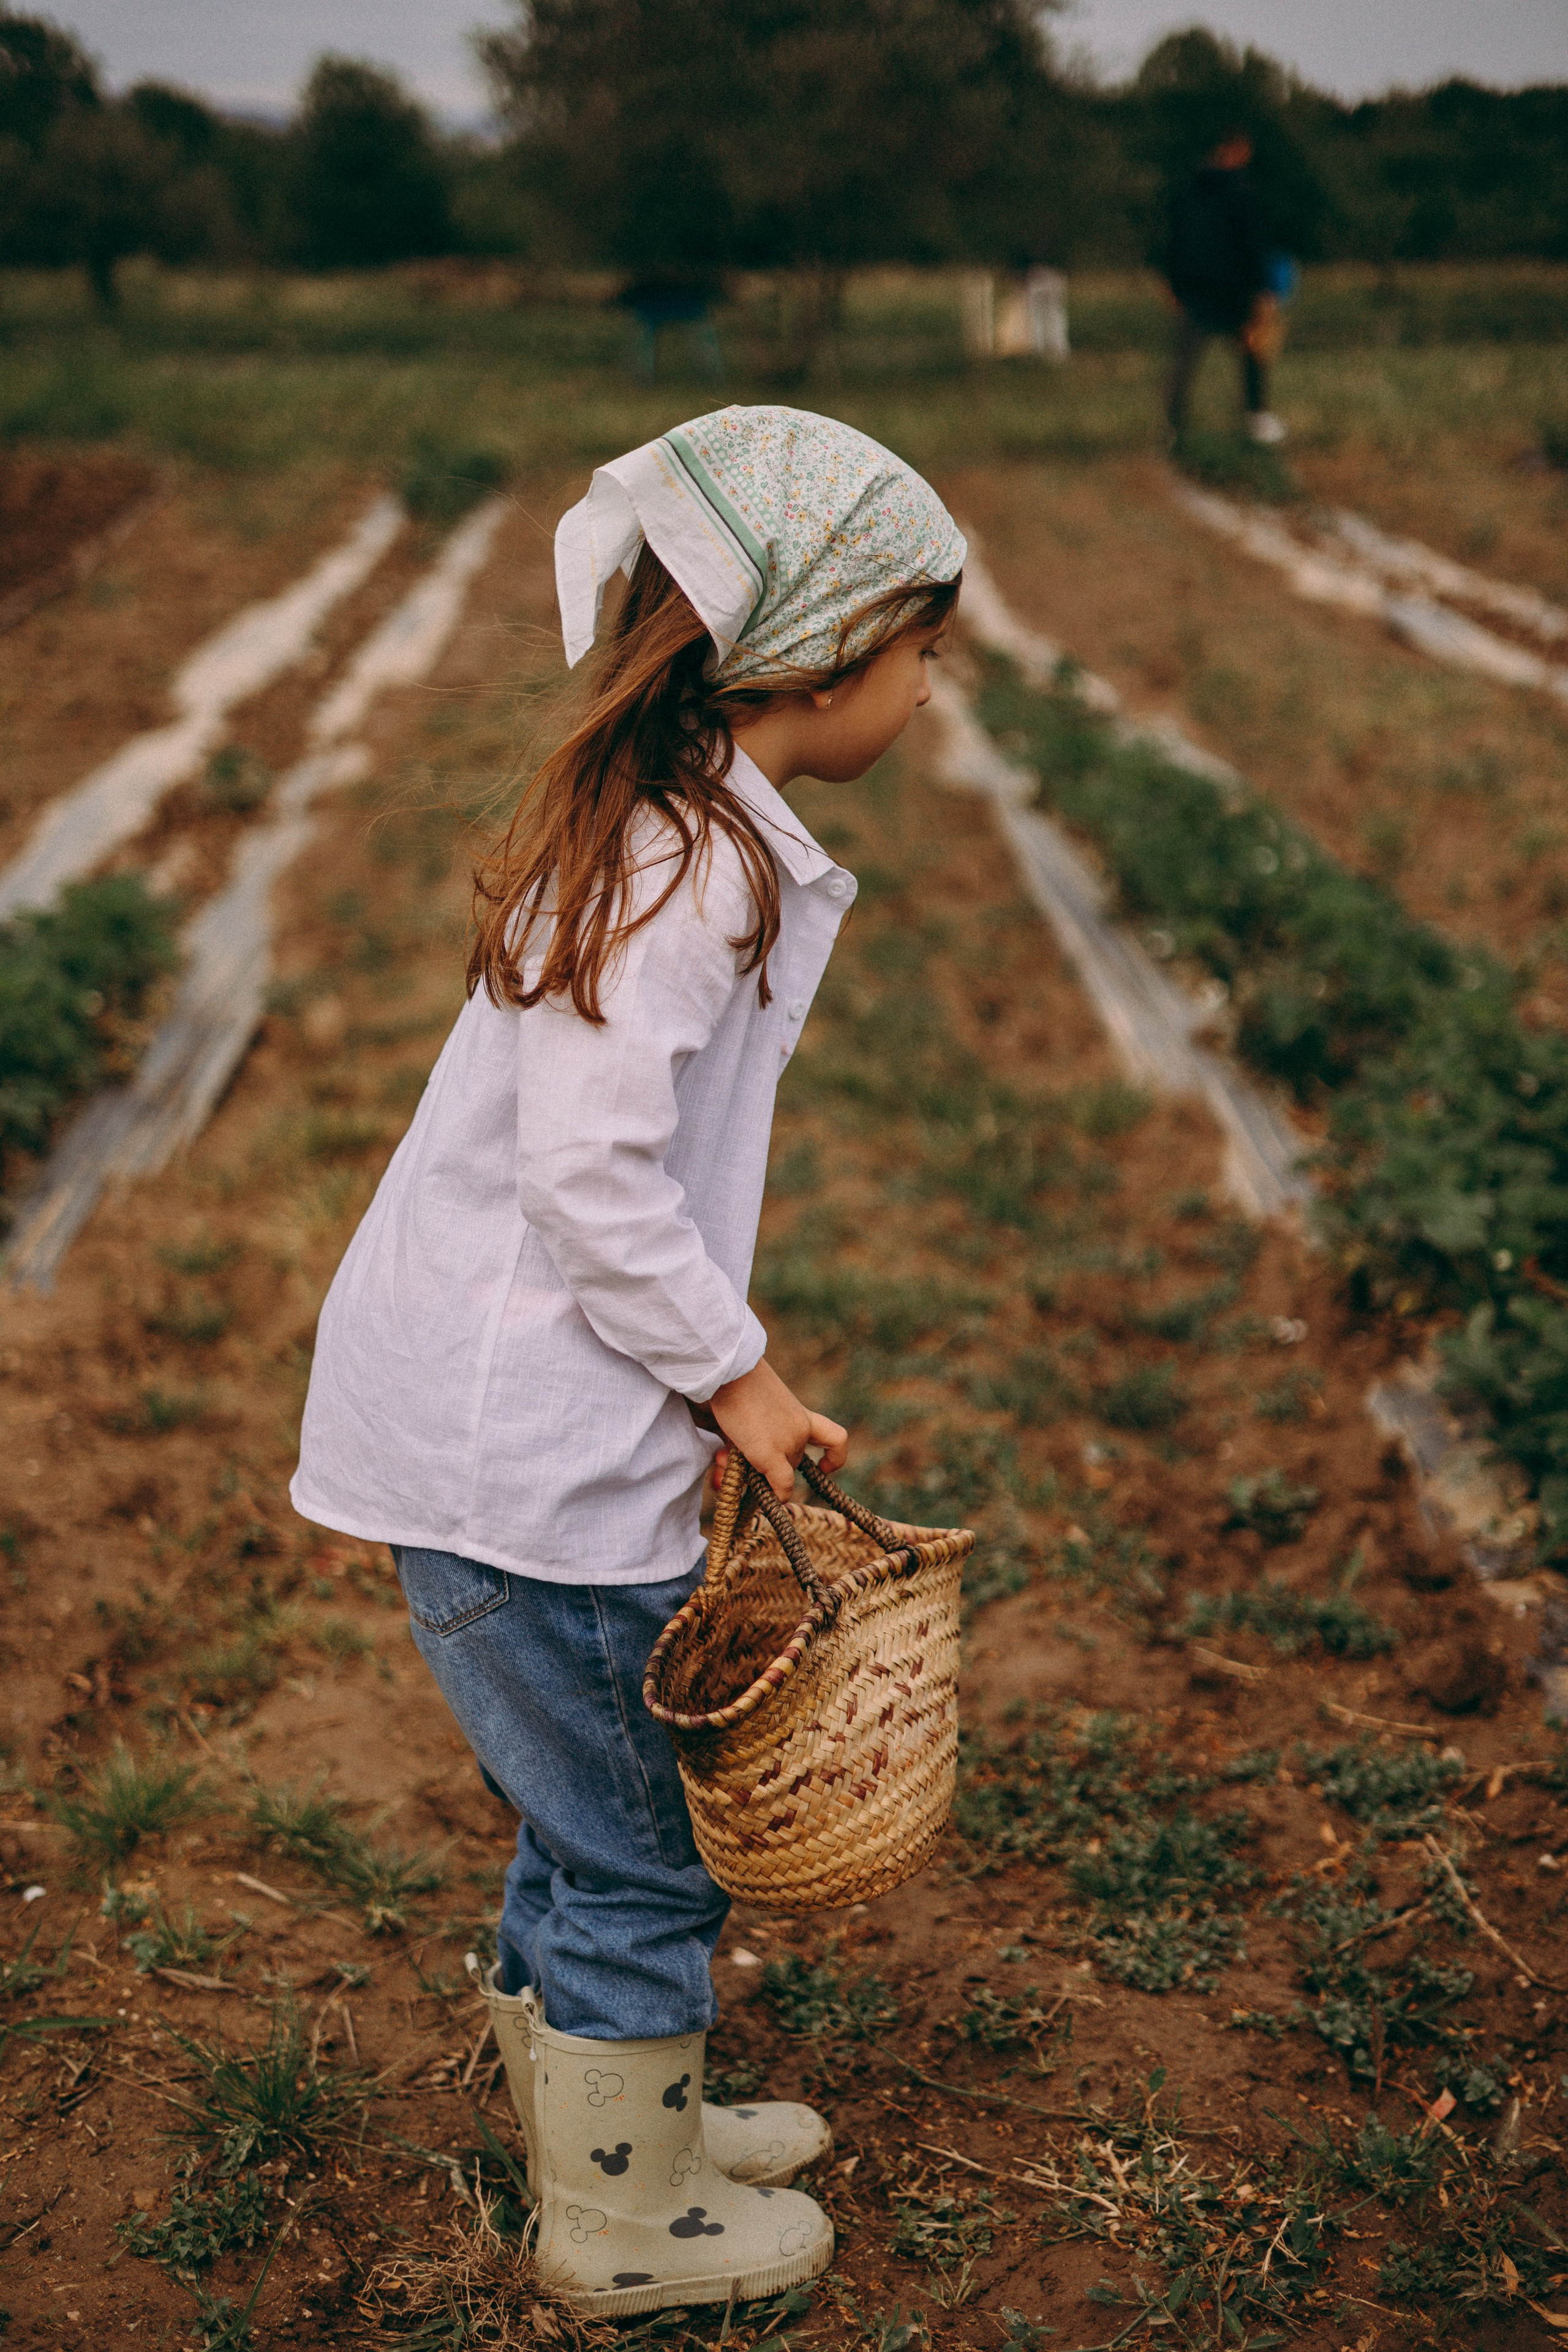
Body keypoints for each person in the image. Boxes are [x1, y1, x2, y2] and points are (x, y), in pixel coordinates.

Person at [290, 405, 965, 2316]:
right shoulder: (680, 875)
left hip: (509, 1441)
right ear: (821, 658)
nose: (933, 683)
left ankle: (608, 2107)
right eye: (925, 646)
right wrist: (736, 1382)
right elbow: (591, 1180)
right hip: (526, 1475)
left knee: (581, 1816)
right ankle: (623, 2215)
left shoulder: (673, 837)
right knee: (649, 1852)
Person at [1162, 129, 1287, 447]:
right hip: (1237, 289)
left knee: (1185, 360)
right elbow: (1253, 243)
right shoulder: (1245, 190)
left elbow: (1173, 239)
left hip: (1197, 287)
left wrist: (1174, 283)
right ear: (1236, 150)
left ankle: (1173, 427)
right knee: (1253, 353)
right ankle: (1256, 418)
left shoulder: (1189, 188)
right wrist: (1264, 289)